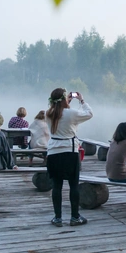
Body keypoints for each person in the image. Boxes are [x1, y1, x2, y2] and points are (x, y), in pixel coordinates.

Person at [46, 88, 93, 227]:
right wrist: (82, 100)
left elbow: (59, 114)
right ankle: (74, 217)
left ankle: (58, 218)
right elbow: (89, 113)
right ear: (64, 99)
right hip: (69, 151)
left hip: (53, 152)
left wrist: (66, 103)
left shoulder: (47, 114)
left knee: (56, 186)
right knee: (73, 185)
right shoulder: (71, 113)